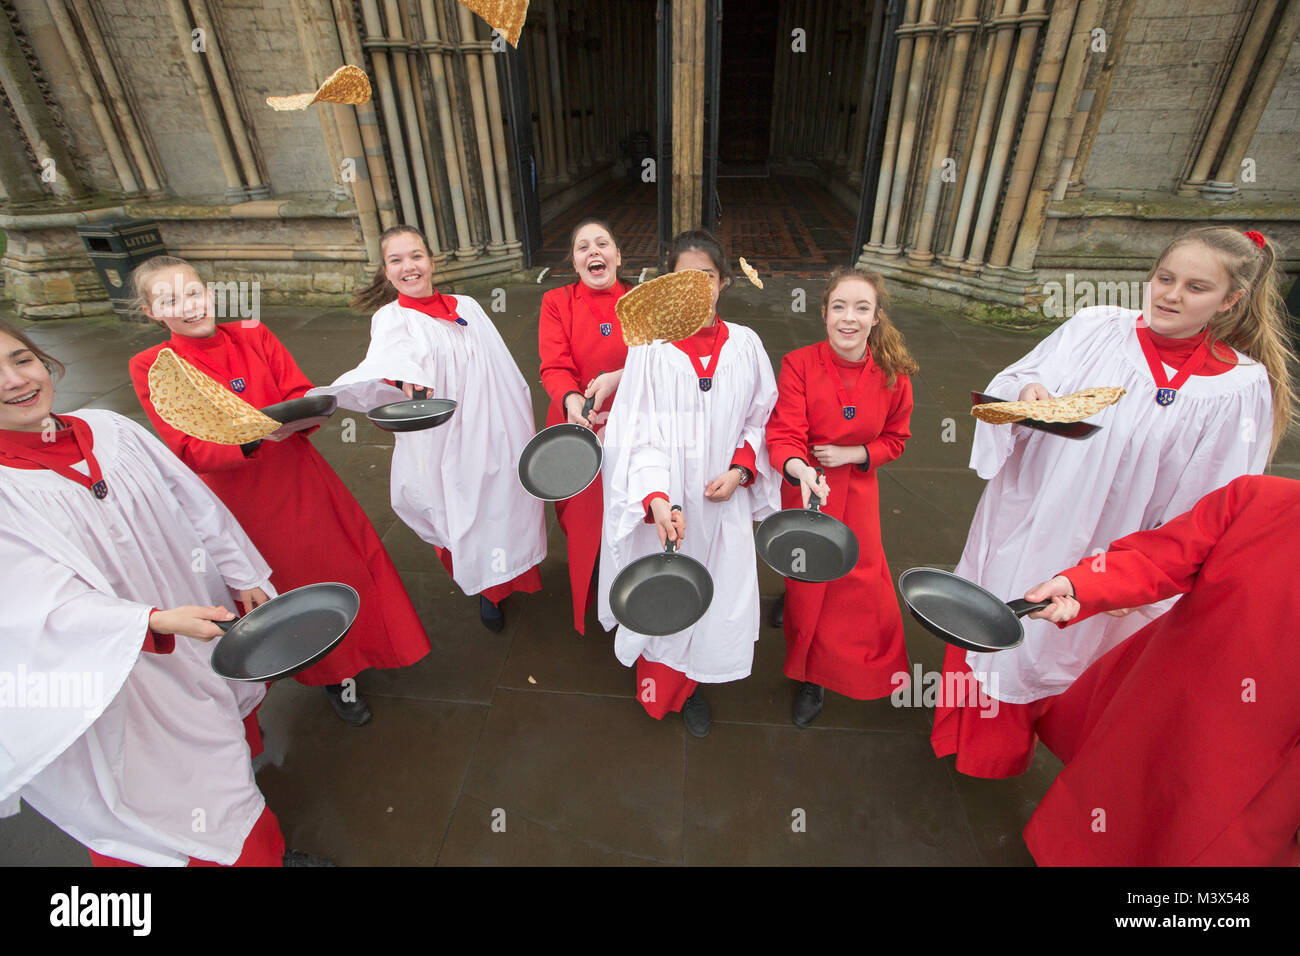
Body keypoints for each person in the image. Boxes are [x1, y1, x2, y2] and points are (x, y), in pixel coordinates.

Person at [932, 226, 1295, 778]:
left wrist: (1145, 576)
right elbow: (1016, 383)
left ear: (1230, 301)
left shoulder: (1236, 388)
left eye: (1195, 288)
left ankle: (1044, 767)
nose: (1170, 296)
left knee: (1069, 655)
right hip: (1032, 515)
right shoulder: (1096, 328)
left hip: (1116, 546)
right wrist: (1024, 396)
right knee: (1000, 628)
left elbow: (1213, 501)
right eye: (1164, 278)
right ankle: (972, 746)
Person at [0, 321, 319, 866]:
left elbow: (193, 500)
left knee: (228, 744)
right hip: (125, 671)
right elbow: (29, 607)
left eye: (21, 360)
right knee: (187, 792)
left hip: (200, 627)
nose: (14, 381)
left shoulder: (111, 431)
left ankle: (271, 850)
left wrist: (241, 571)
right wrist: (148, 622)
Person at [127, 256, 430, 727]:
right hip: (241, 499)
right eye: (169, 300)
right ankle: (333, 676)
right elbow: (185, 447)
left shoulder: (252, 334)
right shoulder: (154, 365)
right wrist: (249, 437)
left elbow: (300, 391)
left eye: (193, 292)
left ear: (208, 292)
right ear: (151, 312)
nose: (187, 306)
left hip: (298, 475)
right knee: (289, 587)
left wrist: (311, 410)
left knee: (344, 564)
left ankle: (364, 652)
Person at [1018, 474, 1300, 866]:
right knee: (1109, 820)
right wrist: (1078, 584)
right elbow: (1159, 556)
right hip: (1169, 710)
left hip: (1266, 766)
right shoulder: (1262, 498)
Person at [312, 225, 547, 632]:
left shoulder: (469, 307)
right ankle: (484, 588)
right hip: (442, 434)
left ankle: (506, 580)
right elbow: (390, 360)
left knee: (501, 502)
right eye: (397, 260)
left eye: (416, 256)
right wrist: (401, 381)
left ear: (432, 261)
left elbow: (501, 365)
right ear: (385, 271)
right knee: (456, 510)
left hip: (491, 424)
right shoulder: (392, 318)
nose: (409, 267)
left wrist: (516, 421)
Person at [598, 230, 779, 737]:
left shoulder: (746, 345)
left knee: (718, 593)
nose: (697, 288)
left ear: (723, 282)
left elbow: (759, 419)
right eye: (685, 278)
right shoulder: (652, 350)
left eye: (706, 277)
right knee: (667, 589)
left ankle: (696, 683)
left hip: (724, 500)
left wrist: (742, 469)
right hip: (669, 505)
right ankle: (660, 685)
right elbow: (639, 436)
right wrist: (657, 501)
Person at [765, 268, 918, 727]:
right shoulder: (798, 364)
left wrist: (855, 452)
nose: (848, 318)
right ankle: (809, 672)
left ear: (875, 318)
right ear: (824, 314)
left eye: (861, 308)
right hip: (809, 489)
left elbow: (897, 439)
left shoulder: (894, 377)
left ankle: (835, 665)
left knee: (859, 581)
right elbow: (784, 433)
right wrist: (802, 470)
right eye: (839, 307)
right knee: (809, 581)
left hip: (859, 492)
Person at [537, 219, 632, 633]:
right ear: (575, 263)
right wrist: (571, 398)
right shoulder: (556, 302)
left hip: (631, 422)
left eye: (602, 244)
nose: (594, 252)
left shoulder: (639, 300)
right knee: (580, 514)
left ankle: (625, 577)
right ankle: (591, 573)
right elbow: (553, 365)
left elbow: (660, 361)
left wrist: (620, 378)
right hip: (576, 420)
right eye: (582, 247)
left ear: (617, 256)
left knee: (626, 505)